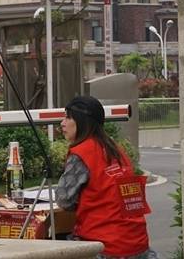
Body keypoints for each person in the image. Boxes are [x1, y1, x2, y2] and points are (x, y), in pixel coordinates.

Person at [56, 95, 152, 259]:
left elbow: (64, 200)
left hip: (104, 246)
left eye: (68, 117)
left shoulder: (82, 153)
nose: (62, 123)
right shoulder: (116, 149)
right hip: (138, 243)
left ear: (82, 121)